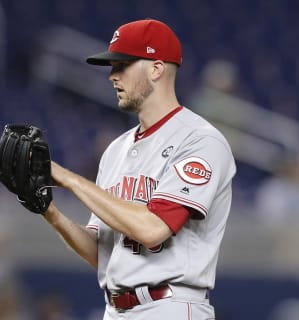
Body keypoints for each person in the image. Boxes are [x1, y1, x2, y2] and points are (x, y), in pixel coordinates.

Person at [41, 19, 236, 319]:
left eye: (122, 66)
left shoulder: (200, 140)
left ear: (156, 69)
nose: (112, 76)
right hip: (115, 308)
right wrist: (49, 211)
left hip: (170, 306)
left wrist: (67, 179)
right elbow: (101, 251)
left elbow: (152, 229)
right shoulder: (114, 151)